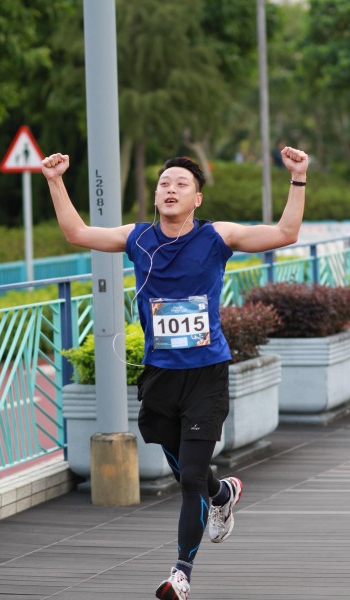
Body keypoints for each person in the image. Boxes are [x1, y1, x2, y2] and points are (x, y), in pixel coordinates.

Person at [42, 146, 308, 600]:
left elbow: (286, 233)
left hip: (206, 374)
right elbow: (76, 233)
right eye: (164, 183)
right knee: (190, 469)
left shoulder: (217, 237)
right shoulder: (138, 238)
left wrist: (297, 178)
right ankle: (222, 494)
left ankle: (181, 573)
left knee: (188, 479)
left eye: (181, 184)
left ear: (196, 198)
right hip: (160, 376)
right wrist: (55, 180)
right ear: (156, 195)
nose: (170, 189)